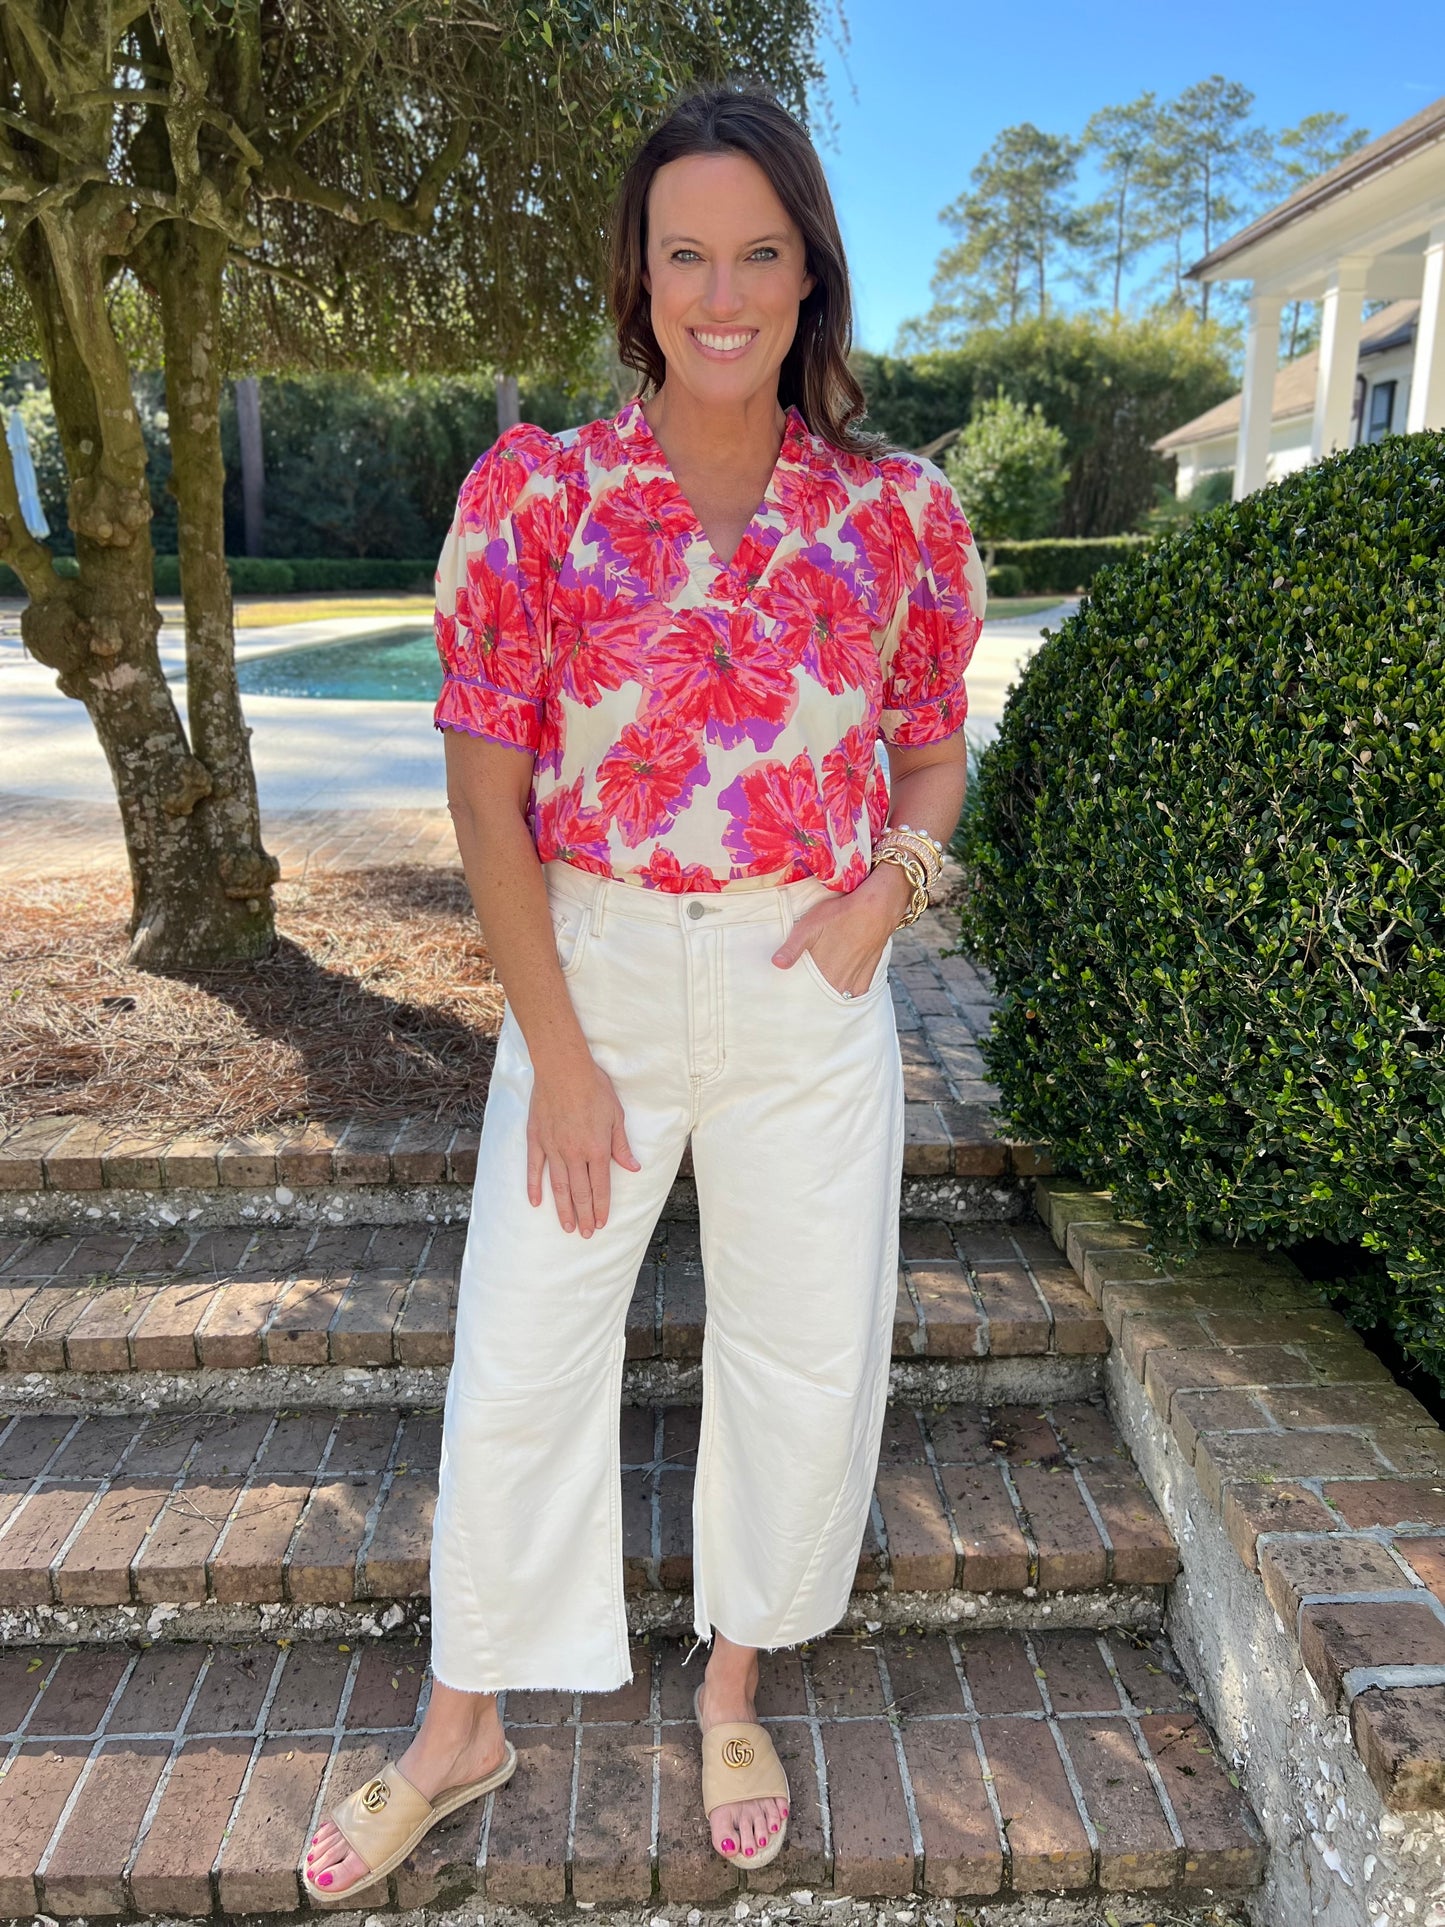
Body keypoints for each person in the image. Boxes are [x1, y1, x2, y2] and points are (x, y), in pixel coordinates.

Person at [301, 74, 984, 1904]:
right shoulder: (538, 492)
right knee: (521, 1348)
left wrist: (882, 908)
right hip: (590, 968)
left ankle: (734, 1679)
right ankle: (463, 1725)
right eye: (686, 251)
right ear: (640, 271)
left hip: (804, 981)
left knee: (800, 1351)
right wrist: (558, 1048)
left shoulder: (901, 515)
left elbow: (935, 759)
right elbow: (482, 787)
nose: (721, 291)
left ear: (811, 274)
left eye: (759, 251)